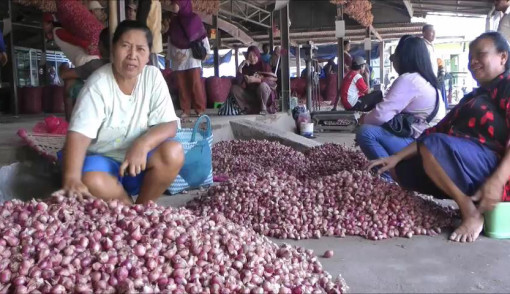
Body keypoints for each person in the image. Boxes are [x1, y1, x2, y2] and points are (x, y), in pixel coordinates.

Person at [367, 32, 510, 243]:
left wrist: (497, 181)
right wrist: (395, 158)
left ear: (503, 57)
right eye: (470, 57)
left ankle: (470, 211)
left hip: (498, 168)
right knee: (403, 169)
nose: (473, 62)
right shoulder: (475, 96)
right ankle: (469, 201)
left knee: (433, 146)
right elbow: (437, 131)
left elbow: (434, 141)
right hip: (468, 161)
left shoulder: (506, 84)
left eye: (480, 55)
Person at [54, 20, 184, 205]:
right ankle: (132, 211)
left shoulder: (152, 77)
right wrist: (71, 178)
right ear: (113, 50)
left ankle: (143, 207)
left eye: (140, 49)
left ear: (148, 55)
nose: (132, 55)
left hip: (138, 163)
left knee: (174, 151)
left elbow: (169, 124)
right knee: (89, 181)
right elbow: (79, 135)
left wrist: (143, 144)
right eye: (125, 46)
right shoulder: (98, 84)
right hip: (103, 164)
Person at [356, 36, 446, 169]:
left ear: (404, 58)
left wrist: (363, 119)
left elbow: (380, 115)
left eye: (394, 57)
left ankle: (389, 176)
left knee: (366, 132)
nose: (393, 61)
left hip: (422, 145)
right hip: (432, 143)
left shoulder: (409, 80)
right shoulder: (427, 81)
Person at [168, 0, 209, 118]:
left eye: (177, 3)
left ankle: (200, 109)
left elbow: (202, 36)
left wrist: (206, 50)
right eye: (174, 3)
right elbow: (171, 40)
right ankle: (185, 110)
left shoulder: (194, 18)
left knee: (195, 83)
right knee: (181, 85)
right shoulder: (174, 22)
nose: (174, 6)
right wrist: (173, 56)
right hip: (178, 58)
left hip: (192, 57)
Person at [60, 28, 110, 121]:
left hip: (102, 106)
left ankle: (71, 122)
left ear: (101, 45)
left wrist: (65, 67)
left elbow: (64, 75)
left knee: (70, 82)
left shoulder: (95, 65)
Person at [231, 46, 277, 115]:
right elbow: (238, 81)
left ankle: (263, 109)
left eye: (254, 55)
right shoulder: (246, 68)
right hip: (251, 96)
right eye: (250, 56)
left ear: (258, 55)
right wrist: (241, 66)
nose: (252, 58)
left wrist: (257, 80)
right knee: (234, 89)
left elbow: (272, 82)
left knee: (263, 86)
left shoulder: (265, 66)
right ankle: (246, 109)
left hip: (264, 97)